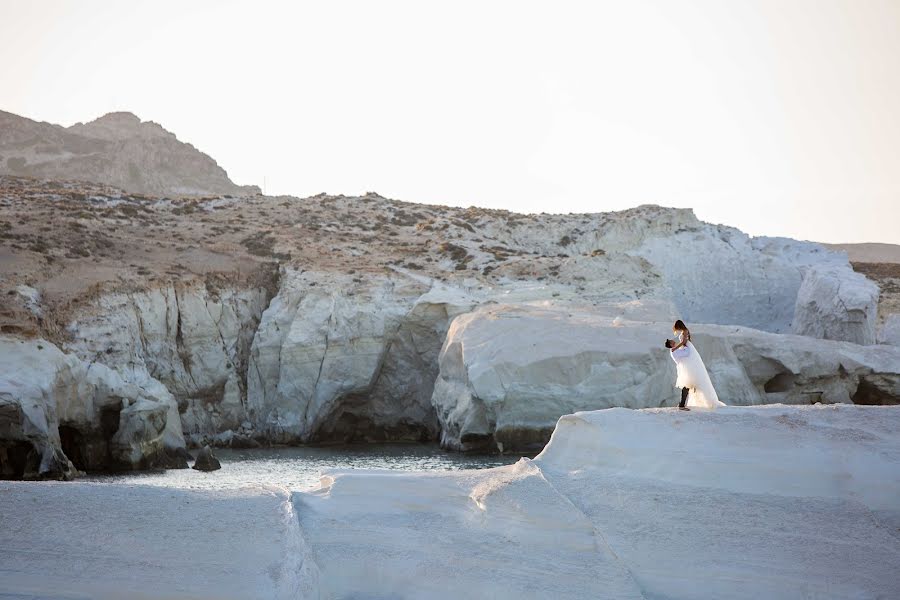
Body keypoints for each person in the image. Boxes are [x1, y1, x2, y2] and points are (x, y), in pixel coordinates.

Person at [666, 320, 725, 409]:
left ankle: (682, 403)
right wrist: (676, 348)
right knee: (688, 382)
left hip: (688, 350)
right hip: (687, 350)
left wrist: (675, 348)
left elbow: (683, 342)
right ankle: (683, 403)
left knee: (688, 382)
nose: (677, 329)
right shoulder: (684, 332)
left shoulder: (684, 331)